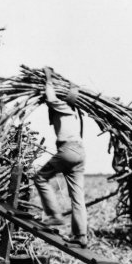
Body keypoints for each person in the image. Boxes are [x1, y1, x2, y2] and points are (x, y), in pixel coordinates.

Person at [34, 67, 88, 248]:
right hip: (80, 153)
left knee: (40, 177)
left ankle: (55, 215)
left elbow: (50, 98)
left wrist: (48, 79)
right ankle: (81, 236)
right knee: (77, 197)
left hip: (68, 150)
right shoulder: (75, 113)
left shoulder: (64, 106)